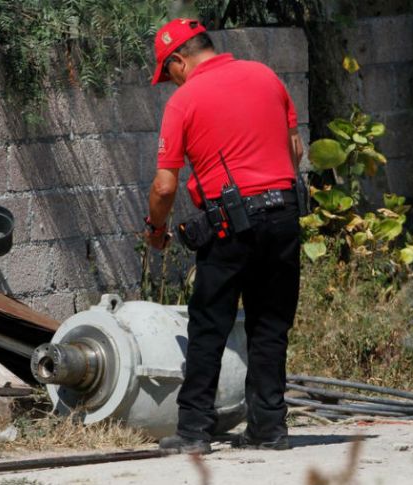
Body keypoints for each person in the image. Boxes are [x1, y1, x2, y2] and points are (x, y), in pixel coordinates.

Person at [143, 18, 304, 454]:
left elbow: (164, 186)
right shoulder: (266, 76)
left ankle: (195, 431)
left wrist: (155, 230)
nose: (170, 82)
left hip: (231, 224)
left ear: (178, 60)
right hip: (285, 214)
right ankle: (269, 429)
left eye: (168, 72)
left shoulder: (184, 100)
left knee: (209, 323)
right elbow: (295, 150)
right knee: (270, 325)